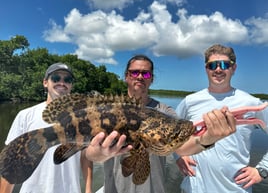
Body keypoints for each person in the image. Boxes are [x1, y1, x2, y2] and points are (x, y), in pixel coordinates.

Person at [98, 54, 236, 193]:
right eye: (135, 72)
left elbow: (182, 146)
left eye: (145, 74)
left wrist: (208, 138)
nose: (140, 77)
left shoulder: (165, 111)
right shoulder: (107, 111)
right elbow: (90, 153)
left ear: (151, 79)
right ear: (126, 76)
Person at [0, 62, 131, 193]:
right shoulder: (25, 115)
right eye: (56, 78)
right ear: (45, 82)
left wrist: (88, 189)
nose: (62, 83)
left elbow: (84, 157)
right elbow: (12, 161)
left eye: (67, 80)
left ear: (71, 85)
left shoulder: (85, 117)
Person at [175, 44, 268, 193]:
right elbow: (170, 133)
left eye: (224, 65)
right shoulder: (189, 101)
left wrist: (263, 170)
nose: (218, 69)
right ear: (206, 69)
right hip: (194, 188)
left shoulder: (251, 103)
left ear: (234, 68)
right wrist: (178, 155)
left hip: (236, 189)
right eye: (212, 65)